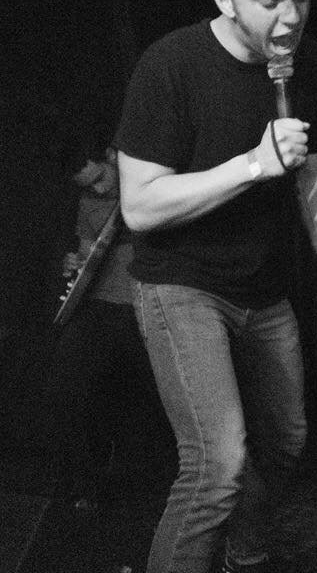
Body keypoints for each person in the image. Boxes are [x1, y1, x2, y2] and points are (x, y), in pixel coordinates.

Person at [114, 0, 317, 573]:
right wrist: (251, 165)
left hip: (265, 291)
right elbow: (140, 207)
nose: (291, 18)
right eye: (269, 0)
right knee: (217, 464)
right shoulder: (171, 65)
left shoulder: (310, 64)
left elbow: (313, 184)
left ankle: (242, 556)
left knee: (285, 443)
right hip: (182, 286)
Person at [44, 138, 174, 509]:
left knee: (157, 402)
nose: (98, 189)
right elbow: (88, 254)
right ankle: (86, 485)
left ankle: (166, 490)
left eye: (100, 178)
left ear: (111, 157)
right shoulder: (88, 201)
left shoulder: (147, 188)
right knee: (66, 389)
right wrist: (74, 262)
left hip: (145, 308)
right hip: (99, 309)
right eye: (88, 186)